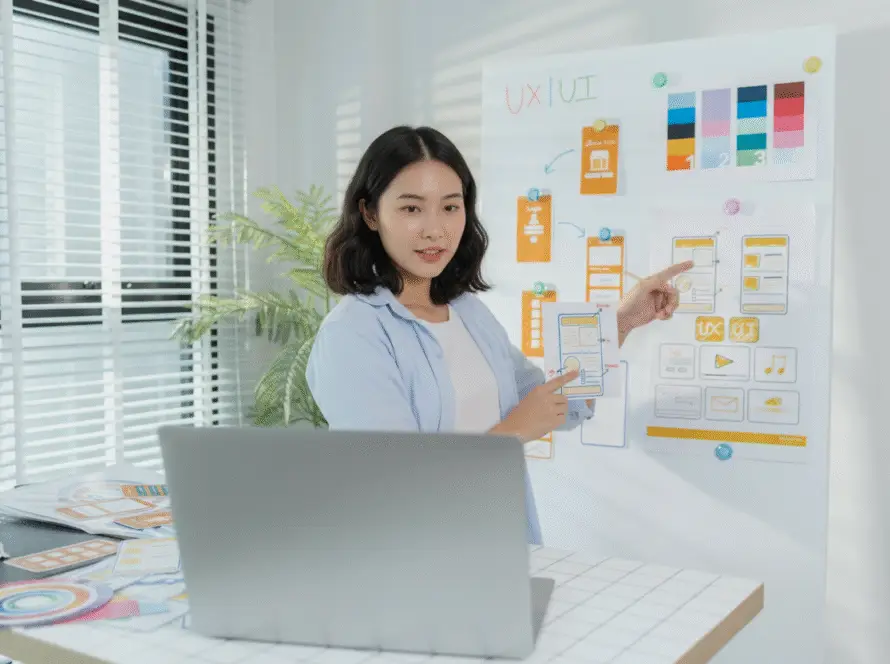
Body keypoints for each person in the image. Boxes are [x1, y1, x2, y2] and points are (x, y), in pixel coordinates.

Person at [306, 125, 692, 544]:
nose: (435, 230)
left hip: (502, 548)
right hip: (414, 570)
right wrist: (513, 433)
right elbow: (397, 488)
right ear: (369, 214)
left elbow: (553, 403)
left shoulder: (469, 314)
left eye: (451, 207)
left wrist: (621, 322)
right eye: (412, 208)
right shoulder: (353, 335)